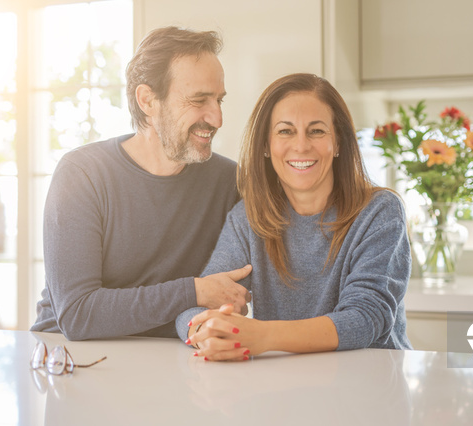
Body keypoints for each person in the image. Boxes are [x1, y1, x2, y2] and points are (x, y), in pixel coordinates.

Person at [31, 26, 252, 341]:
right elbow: (78, 314)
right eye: (199, 100)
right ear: (148, 100)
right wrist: (196, 290)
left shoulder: (229, 182)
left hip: (170, 360)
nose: (216, 118)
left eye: (219, 100)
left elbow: (233, 291)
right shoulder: (82, 174)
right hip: (68, 360)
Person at [176, 73, 412, 361]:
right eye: (285, 131)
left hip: (368, 386)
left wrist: (262, 336)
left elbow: (365, 319)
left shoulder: (379, 211)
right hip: (284, 389)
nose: (301, 146)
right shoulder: (249, 218)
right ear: (265, 145)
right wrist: (207, 331)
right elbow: (200, 304)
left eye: (316, 131)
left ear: (337, 143)